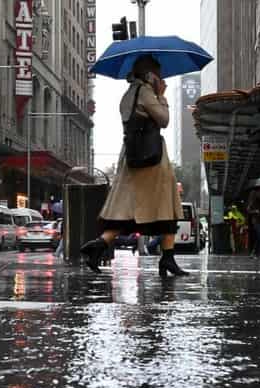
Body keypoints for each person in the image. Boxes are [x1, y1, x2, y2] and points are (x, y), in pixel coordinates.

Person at [80, 55, 189, 278]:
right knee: (166, 207)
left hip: (132, 155)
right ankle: (167, 258)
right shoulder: (148, 93)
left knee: (128, 212)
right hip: (152, 158)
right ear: (149, 75)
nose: (161, 77)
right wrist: (161, 96)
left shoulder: (128, 95)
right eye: (158, 73)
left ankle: (98, 245)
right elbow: (164, 120)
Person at [247, 189, 260, 257]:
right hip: (257, 222)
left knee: (259, 238)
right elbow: (249, 210)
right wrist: (256, 211)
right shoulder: (253, 201)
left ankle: (255, 253)